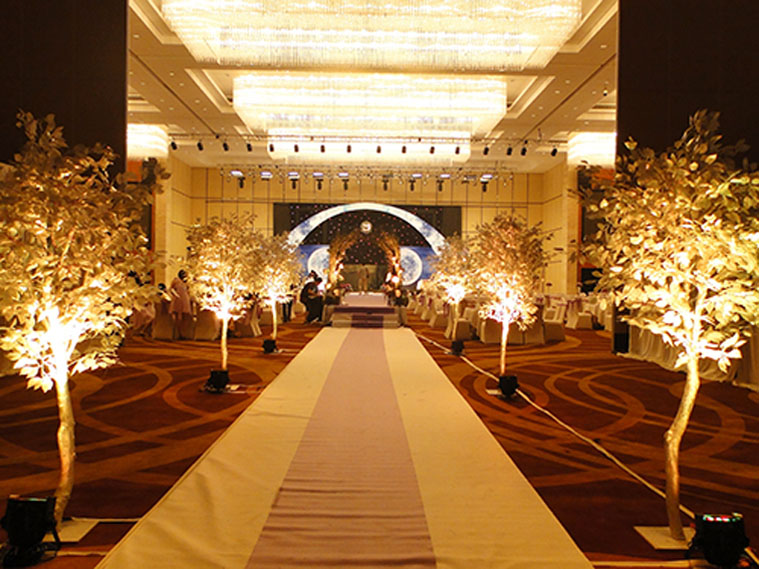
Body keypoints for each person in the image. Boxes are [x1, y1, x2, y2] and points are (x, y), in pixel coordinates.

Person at [169, 269, 192, 338]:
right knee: (177, 316)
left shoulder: (186, 282)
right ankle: (177, 332)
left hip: (185, 299)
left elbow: (188, 291)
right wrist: (175, 295)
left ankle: (183, 332)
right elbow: (171, 289)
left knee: (185, 316)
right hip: (178, 299)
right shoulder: (176, 281)